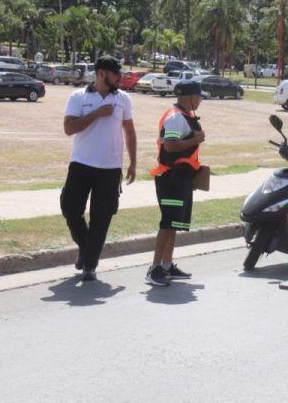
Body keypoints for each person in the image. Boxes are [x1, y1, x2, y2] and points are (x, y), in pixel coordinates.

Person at [61, 56, 136, 281]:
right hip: (81, 164)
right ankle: (86, 248)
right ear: (102, 73)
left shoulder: (124, 99)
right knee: (70, 209)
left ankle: (89, 265)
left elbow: (130, 132)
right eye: (115, 74)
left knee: (101, 218)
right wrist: (96, 114)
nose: (119, 78)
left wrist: (133, 161)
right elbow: (68, 128)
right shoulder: (78, 96)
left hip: (110, 168)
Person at [144, 81, 207, 285]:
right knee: (168, 223)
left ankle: (166, 266)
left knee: (175, 224)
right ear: (190, 97)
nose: (200, 100)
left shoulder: (184, 116)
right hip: (171, 178)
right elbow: (170, 146)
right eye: (198, 96)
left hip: (181, 178)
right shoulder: (175, 118)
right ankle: (154, 269)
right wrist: (196, 140)